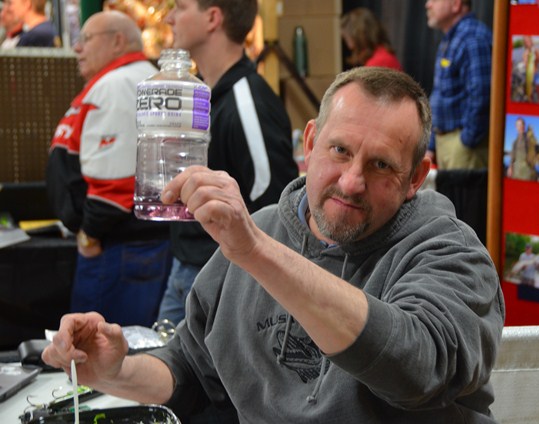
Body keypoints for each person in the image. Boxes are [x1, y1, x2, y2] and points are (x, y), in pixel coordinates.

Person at [42, 66, 505, 423]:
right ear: (310, 143)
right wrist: (115, 372)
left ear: (416, 178)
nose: (352, 181)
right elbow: (190, 368)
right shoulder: (262, 231)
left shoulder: (448, 251)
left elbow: (418, 368)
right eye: (340, 150)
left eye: (381, 165)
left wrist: (256, 252)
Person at [155, 0, 299, 326]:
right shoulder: (204, 94)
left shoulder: (248, 100)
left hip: (224, 279)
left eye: (180, 7)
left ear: (212, 18)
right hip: (186, 267)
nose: (169, 18)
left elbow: (277, 207)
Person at [46, 11, 171, 327]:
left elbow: (116, 182)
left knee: (101, 346)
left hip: (117, 247)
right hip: (128, 244)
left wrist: (89, 235)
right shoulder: (126, 80)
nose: (77, 48)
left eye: (86, 39)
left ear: (117, 41)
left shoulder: (118, 84)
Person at [425, 0, 492, 170]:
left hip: (464, 148)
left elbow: (483, 94)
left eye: (434, 0)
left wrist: (466, 142)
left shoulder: (472, 37)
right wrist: (432, 144)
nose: (428, 5)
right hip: (446, 144)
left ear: (456, 4)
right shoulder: (451, 37)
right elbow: (440, 95)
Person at [340, 7, 402, 71]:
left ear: (359, 37)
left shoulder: (378, 62)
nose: (350, 46)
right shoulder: (382, 55)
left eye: (347, 39)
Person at [507, 117, 538, 181]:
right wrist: (510, 167)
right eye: (519, 125)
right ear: (516, 127)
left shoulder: (530, 138)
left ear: (524, 126)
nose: (521, 127)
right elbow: (512, 157)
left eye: (522, 124)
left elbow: (536, 151)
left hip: (527, 173)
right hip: (516, 173)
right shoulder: (514, 142)